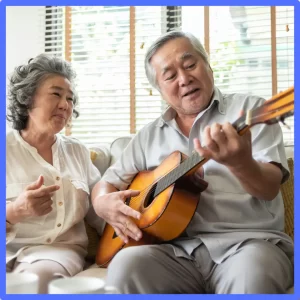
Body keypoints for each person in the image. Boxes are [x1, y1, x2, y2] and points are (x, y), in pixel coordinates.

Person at [91, 31, 294, 294]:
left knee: (252, 274)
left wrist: (241, 163)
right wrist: (101, 203)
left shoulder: (249, 110)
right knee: (126, 264)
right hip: (175, 253)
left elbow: (269, 188)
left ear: (208, 66)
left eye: (190, 65)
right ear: (160, 90)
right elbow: (106, 183)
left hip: (248, 244)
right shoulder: (148, 136)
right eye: (170, 76)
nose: (185, 79)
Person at [6, 54, 103, 293]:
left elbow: (101, 212)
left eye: (70, 98)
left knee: (37, 280)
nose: (65, 105)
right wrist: (15, 211)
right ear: (27, 98)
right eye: (56, 94)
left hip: (55, 253)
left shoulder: (77, 151)